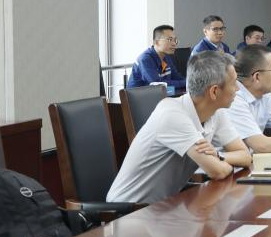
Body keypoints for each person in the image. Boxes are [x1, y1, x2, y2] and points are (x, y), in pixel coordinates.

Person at [107, 52, 253, 204]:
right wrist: (224, 164)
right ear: (214, 91)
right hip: (129, 209)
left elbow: (245, 156)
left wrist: (218, 155)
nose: (238, 89)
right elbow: (217, 171)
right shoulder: (172, 114)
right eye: (234, 83)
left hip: (165, 206)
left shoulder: (216, 112)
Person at [127, 25, 184, 92]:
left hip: (159, 94)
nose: (174, 44)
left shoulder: (166, 57)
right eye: (170, 40)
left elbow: (177, 77)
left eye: (175, 40)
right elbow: (158, 85)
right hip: (138, 96)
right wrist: (185, 83)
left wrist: (189, 83)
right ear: (156, 42)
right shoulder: (145, 59)